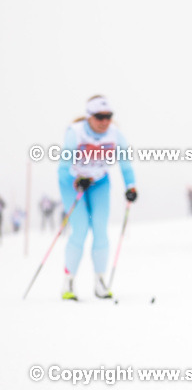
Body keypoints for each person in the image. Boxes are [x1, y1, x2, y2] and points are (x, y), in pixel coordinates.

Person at [58, 95, 138, 300]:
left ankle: (100, 281)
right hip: (72, 183)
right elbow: (63, 168)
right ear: (89, 117)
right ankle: (68, 282)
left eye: (108, 116)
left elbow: (125, 164)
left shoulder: (115, 135)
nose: (104, 121)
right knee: (81, 228)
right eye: (99, 117)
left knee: (101, 230)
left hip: (99, 182)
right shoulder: (74, 133)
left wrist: (131, 187)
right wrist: (77, 179)